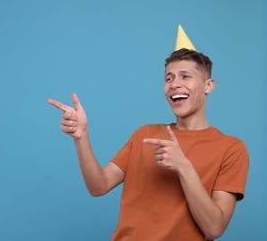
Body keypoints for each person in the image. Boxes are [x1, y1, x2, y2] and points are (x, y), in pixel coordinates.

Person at [47, 25, 249, 240]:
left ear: (208, 85)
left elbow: (214, 228)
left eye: (185, 76)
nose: (174, 84)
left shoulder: (231, 148)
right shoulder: (145, 134)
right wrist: (82, 137)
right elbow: (98, 186)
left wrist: (183, 167)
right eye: (169, 78)